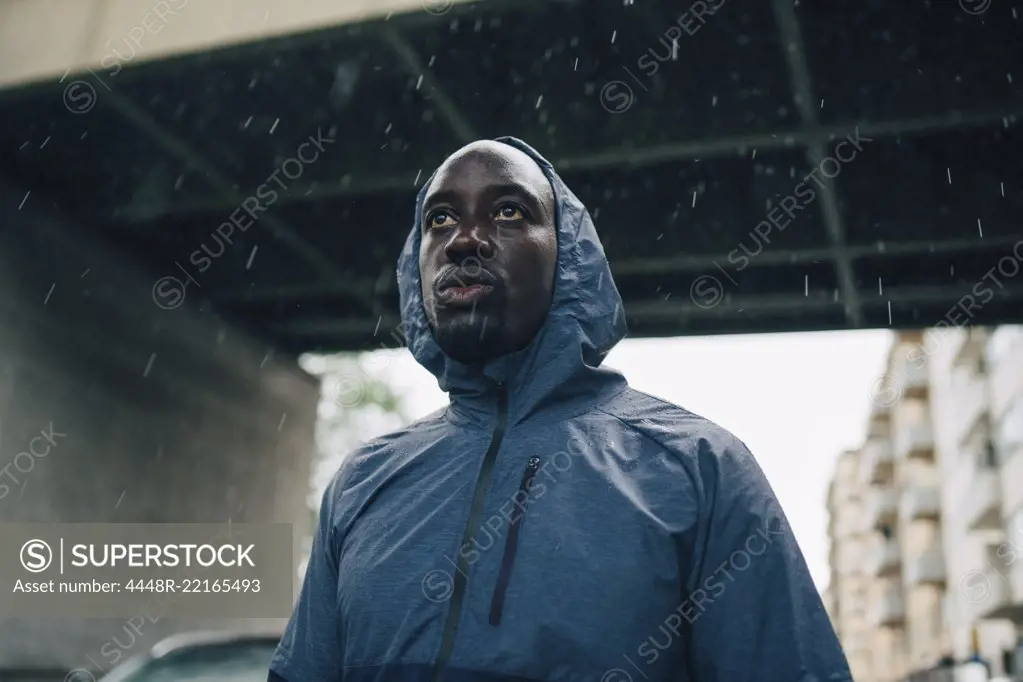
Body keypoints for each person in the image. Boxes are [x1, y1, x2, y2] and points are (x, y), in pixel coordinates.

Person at [268, 137, 852, 682]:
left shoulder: (698, 467)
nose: (464, 239)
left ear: (568, 257)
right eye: (440, 218)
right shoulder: (362, 482)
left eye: (508, 212)